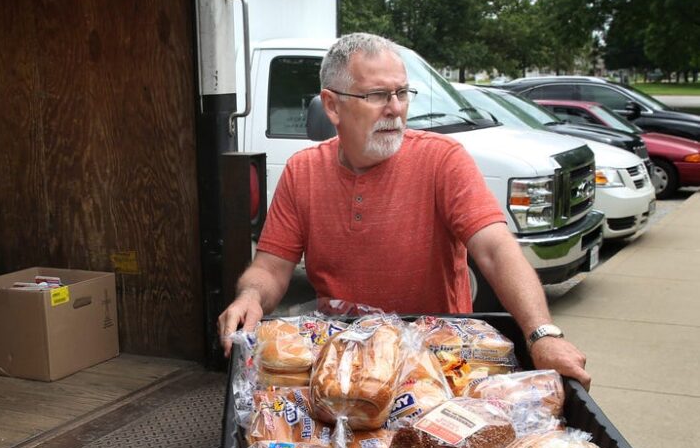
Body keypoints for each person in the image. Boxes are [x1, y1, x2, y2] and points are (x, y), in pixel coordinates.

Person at [217, 33, 591, 388]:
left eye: (401, 93)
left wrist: (541, 333)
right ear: (332, 105)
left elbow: (496, 249)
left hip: (439, 361)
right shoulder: (303, 171)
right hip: (343, 361)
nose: (395, 109)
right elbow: (271, 266)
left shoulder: (442, 160)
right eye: (377, 95)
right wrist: (250, 297)